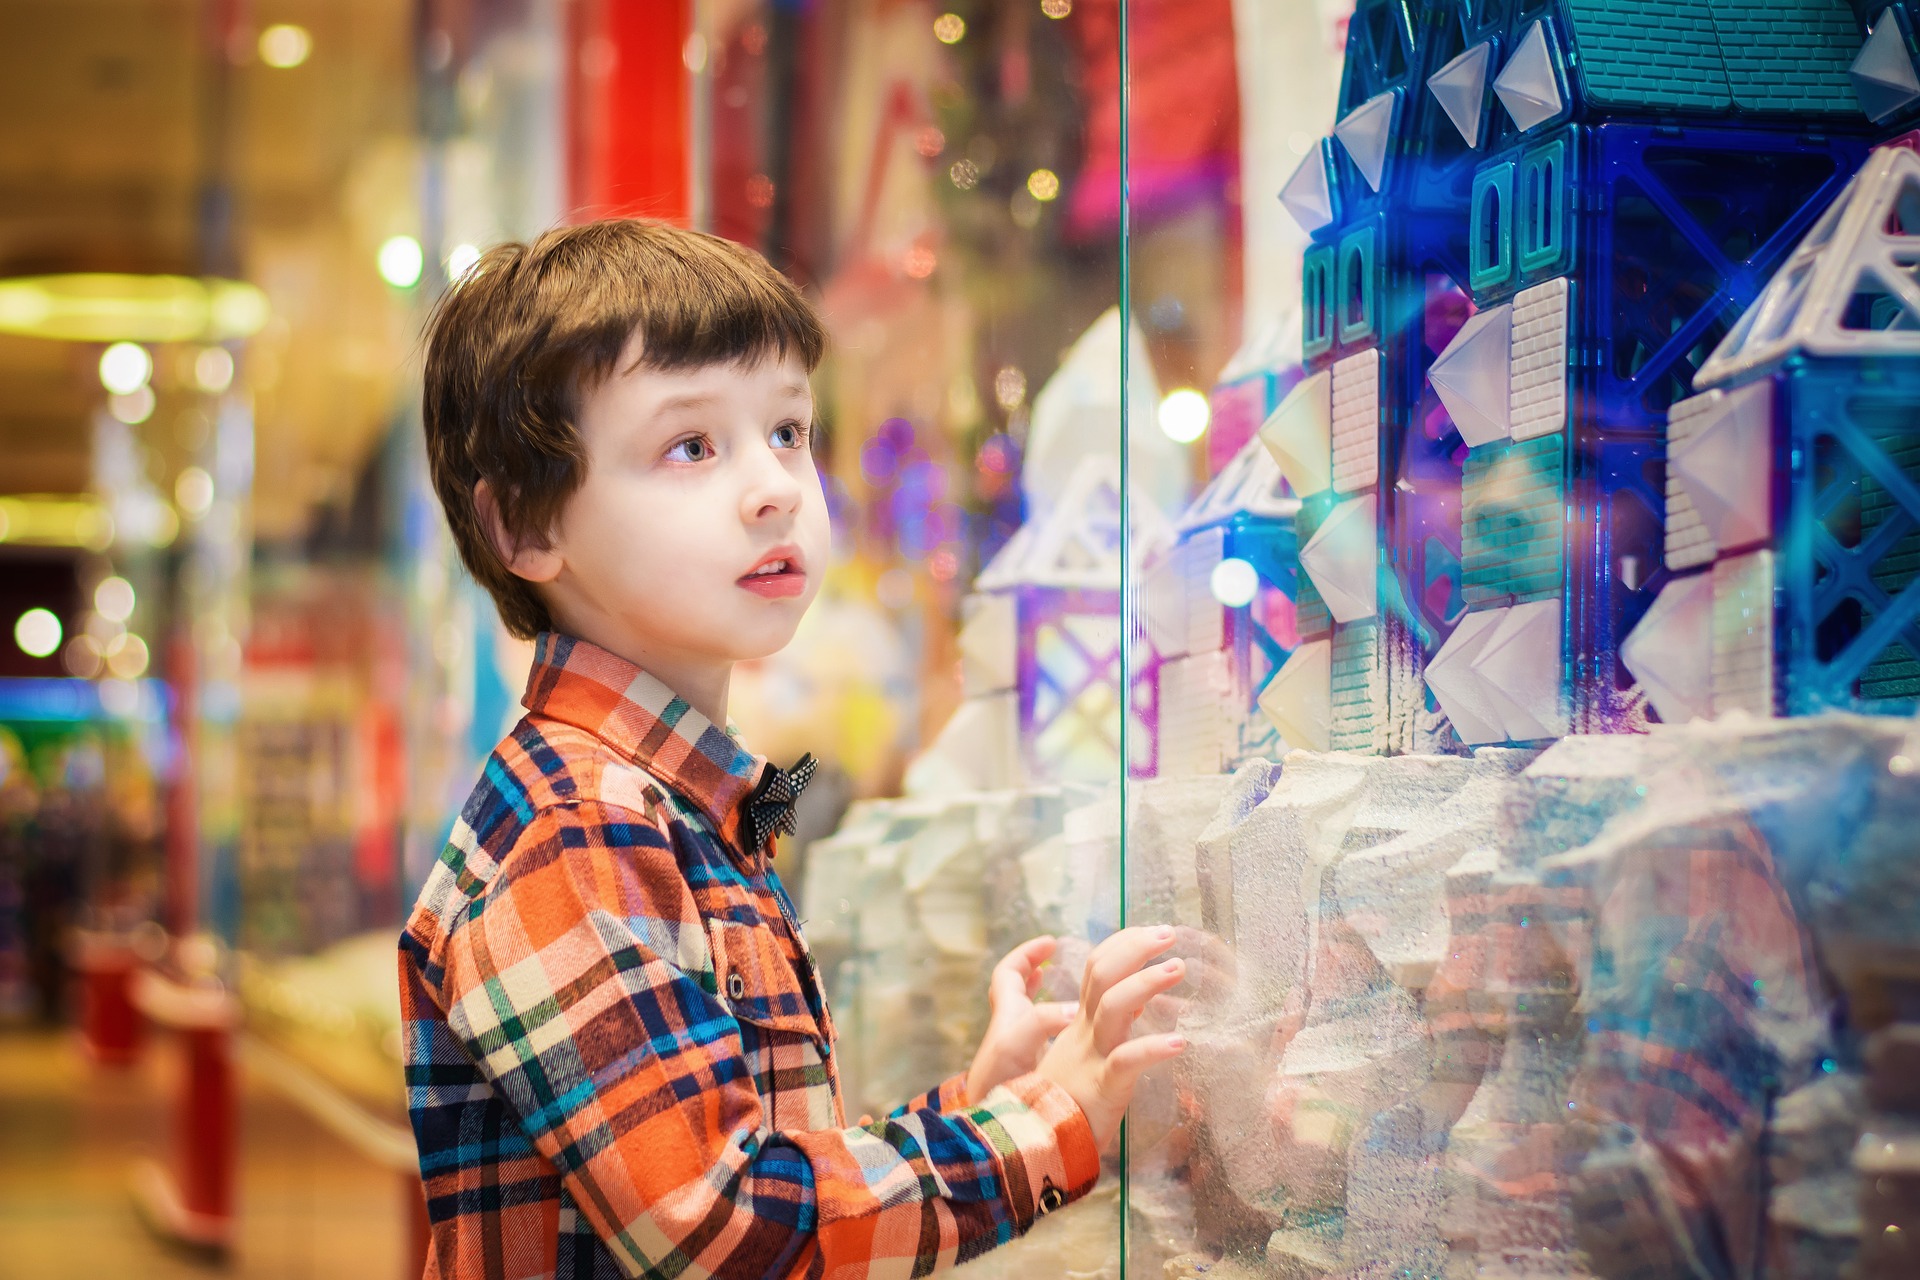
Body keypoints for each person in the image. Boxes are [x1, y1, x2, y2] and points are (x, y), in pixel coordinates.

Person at [399, 219, 1186, 1280]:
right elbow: (720, 1227)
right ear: (526, 528)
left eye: (788, 430)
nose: (774, 487)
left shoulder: (672, 798)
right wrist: (1045, 1126)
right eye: (692, 446)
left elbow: (749, 1148)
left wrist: (977, 1105)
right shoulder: (578, 824)